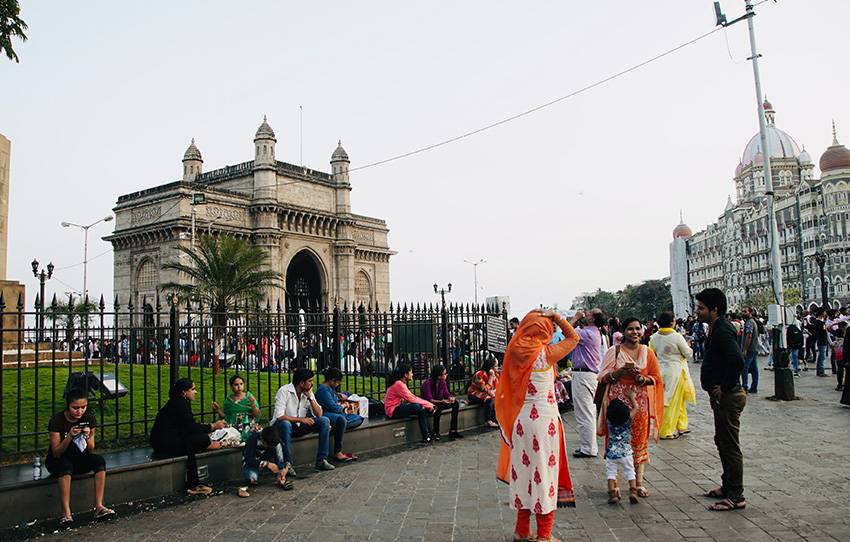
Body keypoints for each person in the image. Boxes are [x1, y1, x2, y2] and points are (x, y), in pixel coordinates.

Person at [495, 309, 579, 542]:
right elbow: (574, 338)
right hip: (544, 421)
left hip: (521, 421)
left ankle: (522, 531)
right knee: (545, 473)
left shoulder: (513, 352)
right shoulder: (546, 353)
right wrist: (558, 318)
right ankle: (544, 535)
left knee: (523, 473)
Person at [597, 317, 663, 499]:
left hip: (639, 402)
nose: (635, 332)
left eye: (637, 329)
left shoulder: (647, 352)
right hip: (617, 404)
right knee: (616, 441)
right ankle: (614, 484)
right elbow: (602, 376)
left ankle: (638, 484)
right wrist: (619, 373)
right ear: (623, 332)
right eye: (630, 329)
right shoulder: (614, 351)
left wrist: (642, 379)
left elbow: (656, 377)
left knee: (639, 441)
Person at [695, 288, 746, 511]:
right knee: (722, 442)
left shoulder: (723, 329)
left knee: (730, 446)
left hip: (729, 396)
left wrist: (723, 386)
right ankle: (728, 486)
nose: (697, 312)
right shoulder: (716, 328)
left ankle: (736, 496)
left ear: (714, 309)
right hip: (722, 397)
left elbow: (737, 360)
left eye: (701, 308)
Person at [46, 390, 116, 526]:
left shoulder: (88, 417)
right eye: (75, 408)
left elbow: (90, 448)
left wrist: (88, 435)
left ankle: (99, 506)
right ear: (68, 406)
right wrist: (69, 436)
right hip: (59, 459)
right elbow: (56, 453)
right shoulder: (57, 420)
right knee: (65, 466)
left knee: (99, 461)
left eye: (83, 407)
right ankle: (66, 513)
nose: (80, 411)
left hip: (79, 457)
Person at [150, 378, 227, 496]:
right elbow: (191, 428)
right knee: (203, 439)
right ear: (183, 392)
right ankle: (193, 483)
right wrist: (213, 426)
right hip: (166, 444)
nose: (195, 392)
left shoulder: (178, 402)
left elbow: (186, 427)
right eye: (192, 389)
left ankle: (206, 446)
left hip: (164, 441)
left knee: (202, 438)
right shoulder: (180, 405)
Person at [271, 368, 337, 474]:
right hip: (282, 426)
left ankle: (321, 460)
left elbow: (319, 414)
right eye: (310, 381)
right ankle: (287, 464)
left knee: (324, 421)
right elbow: (279, 416)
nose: (312, 383)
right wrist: (302, 420)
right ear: (301, 383)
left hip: (298, 426)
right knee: (286, 424)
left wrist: (310, 398)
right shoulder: (284, 391)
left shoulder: (307, 393)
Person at [650, 312, 695, 440]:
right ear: (672, 322)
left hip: (661, 369)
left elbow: (652, 354)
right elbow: (687, 353)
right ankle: (666, 430)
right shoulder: (676, 336)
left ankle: (681, 425)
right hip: (676, 370)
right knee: (672, 400)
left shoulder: (654, 337)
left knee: (674, 399)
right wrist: (690, 347)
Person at [570, 308, 606, 458]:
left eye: (589, 313)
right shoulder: (593, 332)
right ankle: (589, 446)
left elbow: (566, 330)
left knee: (584, 413)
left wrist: (575, 318)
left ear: (593, 319)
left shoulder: (587, 334)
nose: (586, 314)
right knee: (589, 411)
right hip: (588, 375)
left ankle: (588, 448)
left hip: (583, 375)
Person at [315, 367, 362, 462]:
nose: (338, 384)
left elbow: (338, 401)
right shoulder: (324, 390)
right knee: (342, 420)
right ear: (332, 380)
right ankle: (338, 451)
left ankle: (338, 426)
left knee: (359, 418)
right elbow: (335, 408)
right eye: (338, 382)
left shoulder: (330, 389)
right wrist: (344, 405)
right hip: (327, 414)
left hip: (335, 414)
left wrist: (344, 397)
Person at [604, 392, 639, 505]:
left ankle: (612, 493)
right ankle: (633, 492)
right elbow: (636, 408)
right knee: (630, 472)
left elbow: (605, 408)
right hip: (626, 453)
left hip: (611, 453)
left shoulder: (609, 421)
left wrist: (607, 400)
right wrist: (631, 397)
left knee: (611, 473)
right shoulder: (627, 420)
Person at [385, 362, 434, 442]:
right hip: (392, 411)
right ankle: (427, 436)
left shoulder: (400, 383)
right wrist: (429, 404)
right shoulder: (398, 384)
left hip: (396, 408)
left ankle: (427, 436)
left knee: (421, 409)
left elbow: (412, 397)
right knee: (418, 407)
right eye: (411, 372)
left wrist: (428, 405)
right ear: (405, 374)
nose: (412, 374)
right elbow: (412, 399)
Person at [239, 426, 292, 496]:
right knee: (252, 478)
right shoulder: (253, 439)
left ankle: (281, 477)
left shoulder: (276, 442)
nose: (269, 447)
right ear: (263, 440)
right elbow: (248, 459)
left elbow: (284, 456)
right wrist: (266, 464)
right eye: (268, 446)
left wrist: (284, 468)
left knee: (279, 452)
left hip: (269, 460)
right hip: (252, 463)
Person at [211, 374, 261, 441]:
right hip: (232, 428)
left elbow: (256, 414)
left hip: (248, 427)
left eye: (241, 384)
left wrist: (253, 404)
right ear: (231, 386)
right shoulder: (228, 401)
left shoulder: (249, 397)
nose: (239, 386)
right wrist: (217, 410)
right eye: (236, 384)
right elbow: (226, 417)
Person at [420, 364, 463, 440]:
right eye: (444, 374)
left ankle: (453, 430)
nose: (446, 375)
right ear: (438, 376)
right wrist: (442, 401)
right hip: (428, 405)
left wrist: (450, 398)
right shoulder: (427, 383)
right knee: (438, 407)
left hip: (439, 402)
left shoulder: (442, 382)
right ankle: (435, 431)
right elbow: (429, 399)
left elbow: (446, 394)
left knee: (455, 404)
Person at [467, 357, 499, 428]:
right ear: (491, 368)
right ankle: (487, 421)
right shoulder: (479, 374)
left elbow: (498, 387)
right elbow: (485, 389)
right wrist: (490, 377)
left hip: (488, 394)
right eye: (496, 366)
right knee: (489, 399)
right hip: (474, 394)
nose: (498, 367)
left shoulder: (496, 375)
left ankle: (498, 420)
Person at [739, 306, 759, 394]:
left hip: (750, 348)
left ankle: (745, 386)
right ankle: (754, 387)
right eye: (742, 311)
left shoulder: (749, 323)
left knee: (745, 367)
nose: (743, 313)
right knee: (754, 368)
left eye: (745, 311)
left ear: (750, 312)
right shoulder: (751, 322)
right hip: (754, 348)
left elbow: (749, 335)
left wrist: (745, 349)